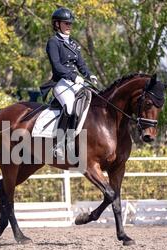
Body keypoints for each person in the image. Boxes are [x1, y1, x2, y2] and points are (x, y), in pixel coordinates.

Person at [44, 7, 98, 159]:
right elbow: (57, 66)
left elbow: (81, 65)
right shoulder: (53, 42)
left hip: (77, 82)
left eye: (70, 24)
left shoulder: (73, 44)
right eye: (66, 23)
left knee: (94, 102)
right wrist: (73, 77)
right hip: (60, 83)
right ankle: (59, 145)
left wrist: (90, 75)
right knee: (69, 107)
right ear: (57, 24)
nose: (69, 26)